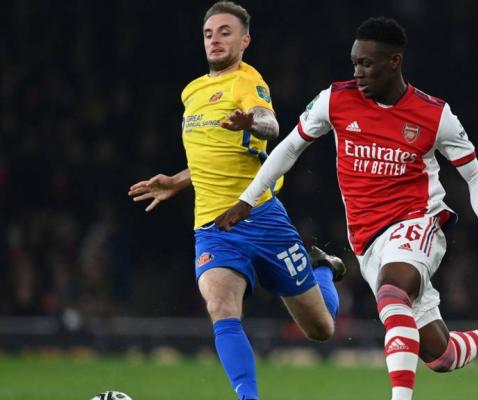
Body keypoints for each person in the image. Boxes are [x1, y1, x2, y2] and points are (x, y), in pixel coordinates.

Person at [216, 16, 478, 400]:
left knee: (391, 291)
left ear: (394, 61)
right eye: (355, 63)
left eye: (367, 64)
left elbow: (476, 176)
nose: (358, 72)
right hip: (367, 241)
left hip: (418, 220)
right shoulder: (335, 100)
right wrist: (247, 200)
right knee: (440, 356)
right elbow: (288, 148)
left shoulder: (434, 115)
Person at [127, 2, 345, 399]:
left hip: (261, 218)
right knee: (220, 306)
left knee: (321, 329)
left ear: (244, 41)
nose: (215, 39)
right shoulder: (192, 92)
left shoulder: (247, 81)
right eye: (209, 33)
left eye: (225, 32)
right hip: (213, 227)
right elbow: (212, 155)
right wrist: (178, 180)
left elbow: (270, 124)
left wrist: (251, 121)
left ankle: (323, 268)